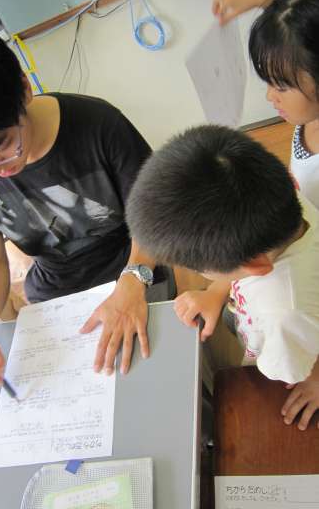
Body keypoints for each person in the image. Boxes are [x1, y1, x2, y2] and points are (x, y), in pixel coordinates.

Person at [0, 22, 174, 390]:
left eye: (1, 147)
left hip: (132, 264)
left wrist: (133, 280)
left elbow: (157, 218)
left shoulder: (99, 126)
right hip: (56, 289)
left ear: (25, 89)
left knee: (151, 382)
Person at [126, 125, 319, 430]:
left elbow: (291, 366)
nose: (199, 274)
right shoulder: (282, 202)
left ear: (253, 266)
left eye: (200, 270)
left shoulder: (286, 314)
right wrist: (215, 292)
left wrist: (314, 377)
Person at [212, 0, 319, 209]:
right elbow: (300, 34)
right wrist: (262, 0)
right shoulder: (310, 112)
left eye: (280, 85)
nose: (270, 96)